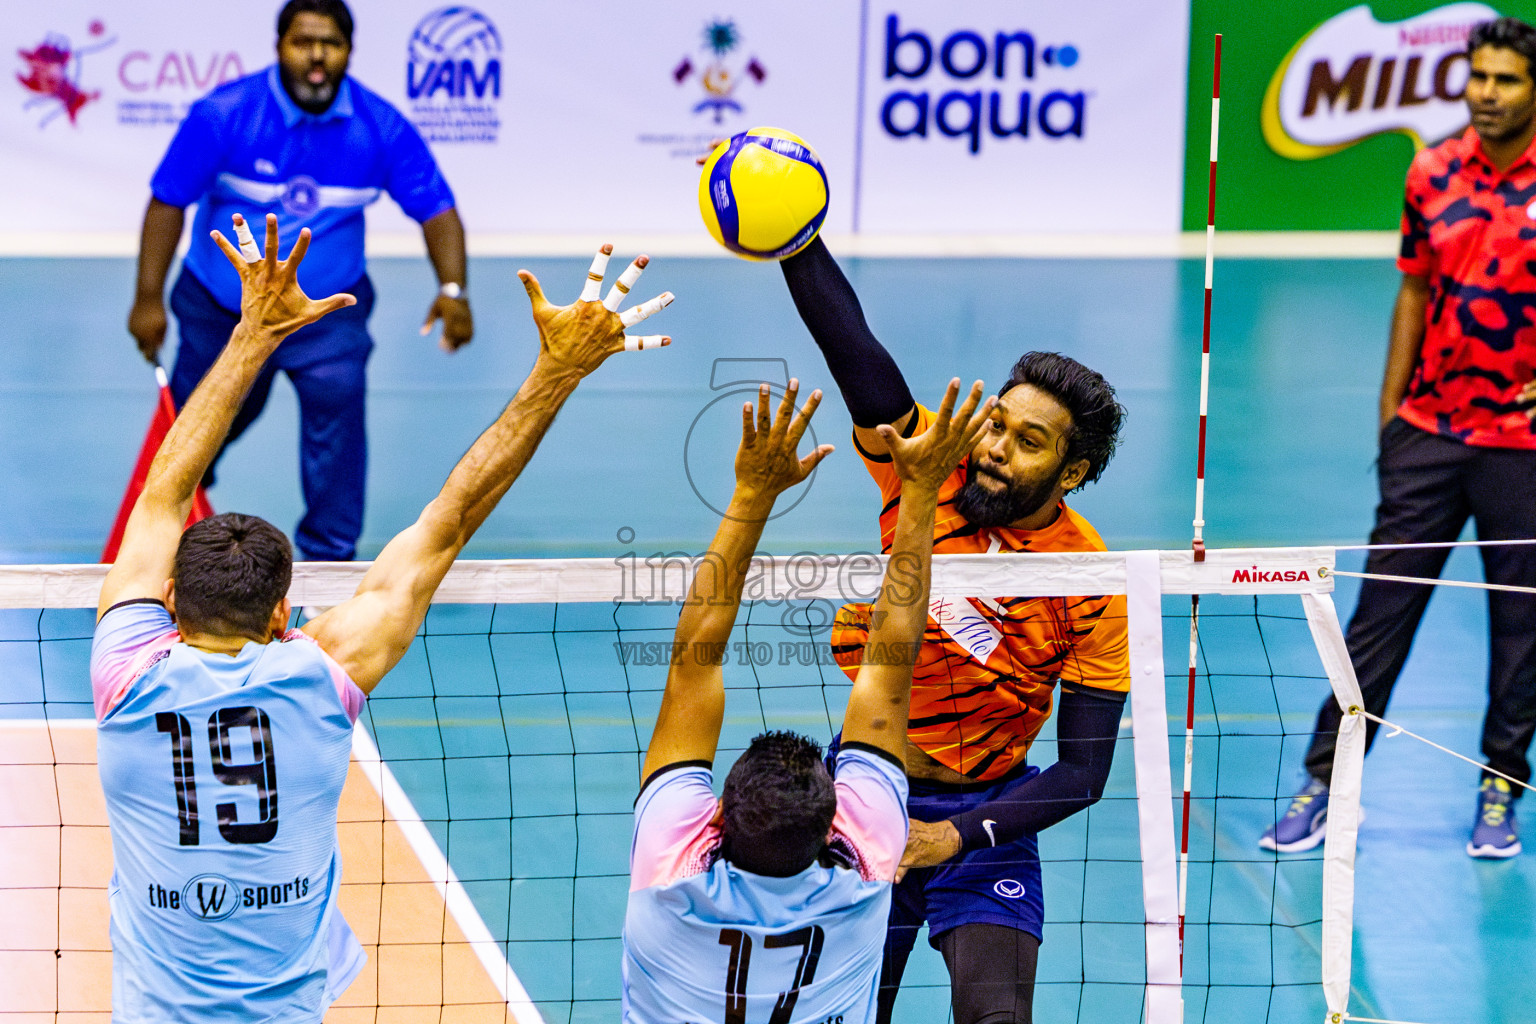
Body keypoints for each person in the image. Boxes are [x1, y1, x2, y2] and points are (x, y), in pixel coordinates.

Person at [93, 214, 672, 1020]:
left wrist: (251, 336)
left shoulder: (124, 674)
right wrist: (556, 374)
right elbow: (448, 522)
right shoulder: (321, 673)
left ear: (166, 606)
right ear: (284, 613)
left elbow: (162, 491)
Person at [776, 240, 1128, 1024]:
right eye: (997, 425)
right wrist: (795, 245)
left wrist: (957, 837)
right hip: (870, 789)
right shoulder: (930, 465)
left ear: (1070, 474)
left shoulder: (1089, 578)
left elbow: (1082, 773)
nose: (996, 450)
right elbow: (856, 354)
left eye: (1028, 442)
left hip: (988, 811)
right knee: (841, 1012)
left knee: (997, 1018)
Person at [623, 374, 994, 1024]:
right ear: (832, 829)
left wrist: (751, 494)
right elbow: (893, 658)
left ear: (714, 821)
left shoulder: (671, 863)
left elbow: (692, 663)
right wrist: (922, 493)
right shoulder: (867, 863)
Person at [1262, 16, 1536, 861]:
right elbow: (1413, 295)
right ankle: (1328, 783)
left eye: (1506, 80)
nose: (1486, 94)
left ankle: (1500, 785)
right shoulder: (1432, 169)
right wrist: (1391, 417)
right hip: (1428, 432)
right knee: (1379, 617)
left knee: (1521, 627)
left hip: (1522, 446)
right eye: (1477, 76)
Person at [127, 0, 472, 563]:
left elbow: (438, 211)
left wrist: (453, 290)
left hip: (325, 316)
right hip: (223, 311)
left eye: (331, 44)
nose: (317, 56)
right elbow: (167, 203)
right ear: (278, 46)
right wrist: (147, 300)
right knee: (197, 432)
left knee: (338, 427)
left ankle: (330, 558)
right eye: (303, 42)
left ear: (349, 51)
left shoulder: (380, 126)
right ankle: (163, 538)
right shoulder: (223, 114)